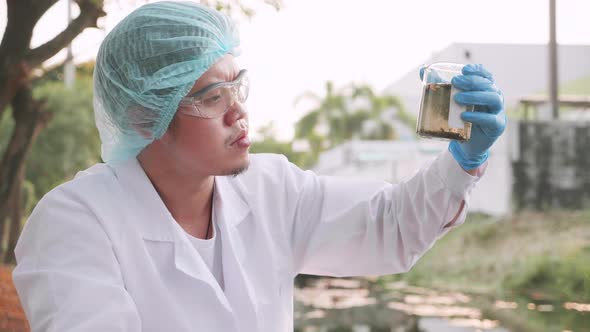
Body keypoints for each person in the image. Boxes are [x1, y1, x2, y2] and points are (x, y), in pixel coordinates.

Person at [12, 1, 506, 331]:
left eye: (237, 86)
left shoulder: (272, 188)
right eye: (211, 95)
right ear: (145, 113)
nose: (238, 111)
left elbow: (388, 225)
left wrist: (464, 160)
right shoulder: (75, 222)